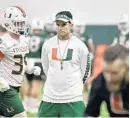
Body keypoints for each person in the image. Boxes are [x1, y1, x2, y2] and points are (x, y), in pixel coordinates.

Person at [38, 11, 91, 117]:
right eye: (57, 24)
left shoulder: (80, 46)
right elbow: (46, 68)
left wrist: (74, 87)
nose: (60, 27)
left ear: (71, 25)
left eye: (63, 24)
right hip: (49, 99)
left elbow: (86, 71)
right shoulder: (47, 45)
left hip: (72, 99)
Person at [0, 6, 41, 117]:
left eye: (23, 23)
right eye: (18, 23)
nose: (22, 26)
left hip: (14, 87)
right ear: (8, 24)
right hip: (6, 89)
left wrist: (31, 69)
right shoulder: (4, 42)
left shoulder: (23, 40)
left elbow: (21, 62)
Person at [84, 44, 129, 117]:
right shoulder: (99, 82)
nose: (109, 78)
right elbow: (90, 112)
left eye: (114, 73)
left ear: (127, 70)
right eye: (105, 71)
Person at [22, 18, 46, 113]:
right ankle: (32, 106)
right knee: (36, 85)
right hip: (38, 62)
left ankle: (25, 104)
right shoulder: (44, 38)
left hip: (27, 61)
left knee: (27, 84)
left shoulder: (26, 38)